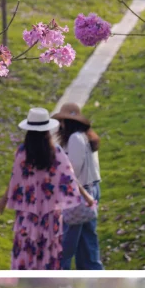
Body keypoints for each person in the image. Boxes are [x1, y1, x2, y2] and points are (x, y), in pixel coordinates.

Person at [0, 108, 95, 270]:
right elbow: (69, 176)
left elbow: (15, 180)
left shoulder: (22, 152)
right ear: (47, 130)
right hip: (50, 215)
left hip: (27, 215)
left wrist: (3, 201)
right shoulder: (56, 152)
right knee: (48, 253)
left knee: (26, 251)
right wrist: (86, 195)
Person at [56, 100, 103, 271]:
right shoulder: (85, 136)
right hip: (91, 189)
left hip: (80, 193)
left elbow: (72, 169)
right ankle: (92, 269)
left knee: (67, 240)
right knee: (87, 240)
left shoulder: (75, 138)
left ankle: (60, 270)